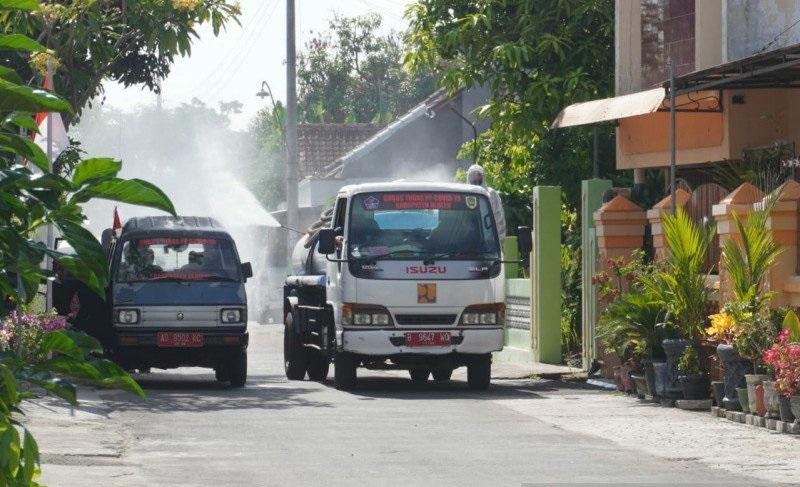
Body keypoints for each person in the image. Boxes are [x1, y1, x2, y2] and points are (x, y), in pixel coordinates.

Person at [466, 164, 506, 240]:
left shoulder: (491, 194)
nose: (476, 178)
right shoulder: (464, 194)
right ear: (468, 177)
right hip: (469, 242)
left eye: (478, 175)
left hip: (489, 242)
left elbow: (499, 218)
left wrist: (497, 241)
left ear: (483, 177)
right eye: (472, 176)